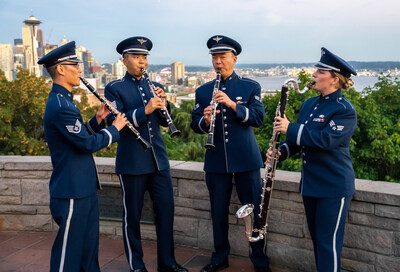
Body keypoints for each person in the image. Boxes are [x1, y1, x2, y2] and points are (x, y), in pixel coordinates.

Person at [39, 41, 128, 272]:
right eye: (75, 65)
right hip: (71, 192)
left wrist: (98, 120)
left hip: (83, 189)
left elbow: (76, 136)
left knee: (88, 251)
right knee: (68, 255)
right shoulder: (61, 105)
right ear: (60, 69)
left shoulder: (66, 101)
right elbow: (87, 144)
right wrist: (115, 128)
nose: (80, 69)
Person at [268, 47, 357, 271]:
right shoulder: (309, 105)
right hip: (311, 185)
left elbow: (327, 140)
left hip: (333, 186)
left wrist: (290, 127)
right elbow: (301, 142)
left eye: (320, 72)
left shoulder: (345, 110)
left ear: (334, 79)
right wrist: (281, 152)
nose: (313, 74)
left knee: (328, 245)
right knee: (318, 242)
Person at [104, 36, 188, 272]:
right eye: (137, 57)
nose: (142, 62)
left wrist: (164, 104)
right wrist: (146, 109)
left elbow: (161, 122)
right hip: (132, 162)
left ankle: (167, 263)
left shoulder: (150, 86)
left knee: (166, 212)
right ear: (124, 60)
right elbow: (115, 120)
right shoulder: (115, 88)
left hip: (158, 160)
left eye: (144, 57)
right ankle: (137, 265)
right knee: (132, 218)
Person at [191, 35, 271, 272]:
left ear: (234, 59)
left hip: (246, 160)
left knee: (255, 211)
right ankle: (219, 258)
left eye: (222, 57)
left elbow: (258, 118)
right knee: (217, 213)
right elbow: (195, 125)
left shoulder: (250, 86)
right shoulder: (203, 90)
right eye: (214, 57)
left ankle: (259, 260)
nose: (218, 61)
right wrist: (205, 121)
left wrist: (233, 105)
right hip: (216, 161)